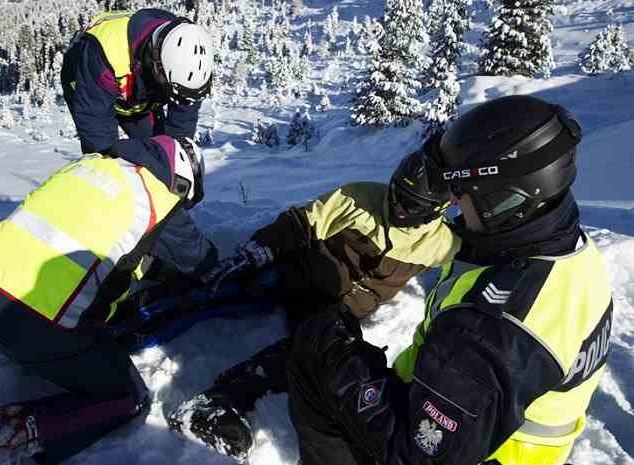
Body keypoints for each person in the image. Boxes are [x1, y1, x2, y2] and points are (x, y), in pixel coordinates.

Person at [285, 95, 613, 465]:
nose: (454, 203)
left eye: (463, 191)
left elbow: (417, 454)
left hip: (458, 450)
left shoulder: (489, 330)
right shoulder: (570, 256)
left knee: (317, 349)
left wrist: (339, 351)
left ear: (503, 199)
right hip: (484, 431)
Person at [167, 149, 462, 462]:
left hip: (340, 313)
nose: (399, 206)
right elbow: (301, 222)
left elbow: (483, 253)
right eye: (397, 193)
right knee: (220, 292)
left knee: (318, 356)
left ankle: (217, 404)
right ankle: (141, 312)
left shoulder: (441, 244)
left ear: (437, 209)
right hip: (302, 277)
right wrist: (259, 249)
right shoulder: (359, 197)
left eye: (412, 204)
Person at [0, 135, 205, 465]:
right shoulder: (159, 197)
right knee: (128, 396)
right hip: (23, 317)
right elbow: (197, 258)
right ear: (182, 181)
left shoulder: (92, 164)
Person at [61, 8, 217, 285]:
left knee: (163, 169)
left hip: (142, 93)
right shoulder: (102, 53)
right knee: (119, 175)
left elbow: (179, 131)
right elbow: (101, 145)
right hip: (92, 87)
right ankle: (133, 248)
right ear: (157, 65)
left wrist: (171, 181)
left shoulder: (187, 58)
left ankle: (168, 242)